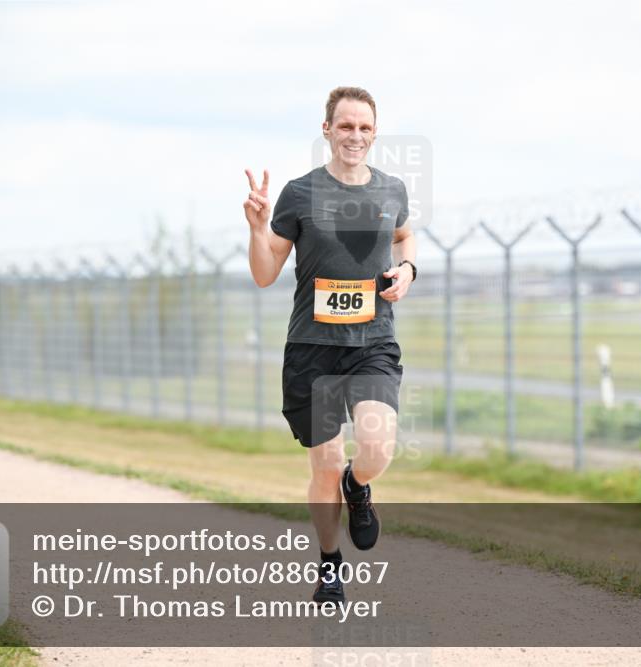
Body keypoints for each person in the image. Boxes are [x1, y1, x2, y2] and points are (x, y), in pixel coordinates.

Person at [244, 86, 417, 605]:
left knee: (377, 446)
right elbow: (264, 272)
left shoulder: (392, 190)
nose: (355, 136)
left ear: (375, 133)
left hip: (373, 342)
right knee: (322, 464)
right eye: (345, 126)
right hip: (313, 350)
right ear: (327, 130)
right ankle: (329, 566)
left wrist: (408, 268)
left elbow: (405, 236)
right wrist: (255, 228)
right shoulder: (300, 193)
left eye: (365, 127)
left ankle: (358, 485)